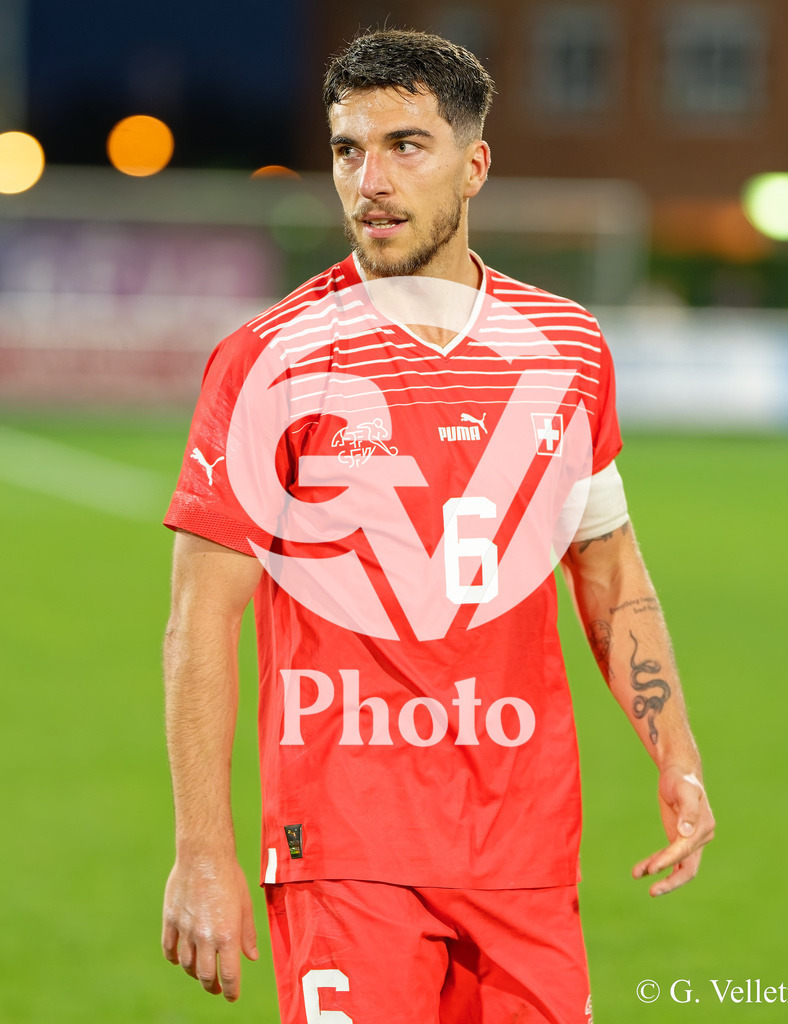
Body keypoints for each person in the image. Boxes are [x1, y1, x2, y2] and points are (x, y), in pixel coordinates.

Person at [161, 28, 715, 1024]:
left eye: (405, 146)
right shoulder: (268, 362)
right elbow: (202, 616)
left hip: (525, 845)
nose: (369, 179)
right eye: (346, 150)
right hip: (346, 848)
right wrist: (203, 850)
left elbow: (610, 567)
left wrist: (675, 751)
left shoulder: (566, 348)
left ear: (474, 166)